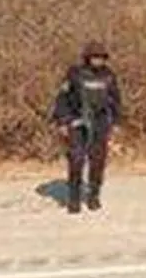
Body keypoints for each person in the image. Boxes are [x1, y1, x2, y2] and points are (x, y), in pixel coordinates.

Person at [51, 41, 122, 213]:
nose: (97, 60)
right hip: (77, 121)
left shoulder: (109, 76)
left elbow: (116, 100)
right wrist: (61, 121)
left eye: (100, 57)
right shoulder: (75, 74)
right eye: (94, 57)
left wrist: (117, 122)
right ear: (87, 58)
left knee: (98, 162)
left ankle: (93, 195)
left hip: (100, 123)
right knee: (76, 160)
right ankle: (74, 198)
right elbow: (62, 98)